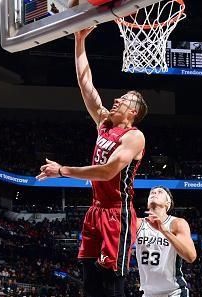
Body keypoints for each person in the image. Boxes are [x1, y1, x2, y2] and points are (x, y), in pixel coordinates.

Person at [36, 27, 148, 297]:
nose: (117, 99)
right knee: (89, 281)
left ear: (132, 112)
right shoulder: (104, 123)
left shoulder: (135, 137)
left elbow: (108, 171)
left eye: (124, 100)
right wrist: (79, 40)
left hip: (117, 214)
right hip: (96, 210)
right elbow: (86, 85)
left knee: (112, 284)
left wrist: (62, 170)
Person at [136, 186, 196, 297]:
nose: (154, 193)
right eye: (152, 192)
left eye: (160, 192)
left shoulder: (177, 223)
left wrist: (164, 231)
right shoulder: (138, 223)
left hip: (174, 292)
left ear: (167, 203)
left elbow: (191, 256)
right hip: (148, 294)